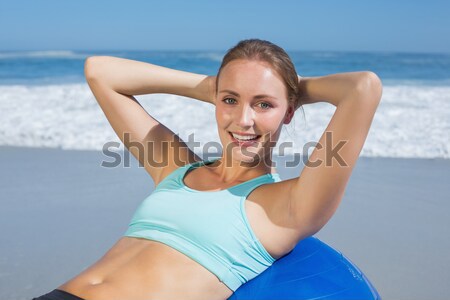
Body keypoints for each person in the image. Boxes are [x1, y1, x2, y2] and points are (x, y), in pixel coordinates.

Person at [32, 38, 382, 300]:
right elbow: (100, 71)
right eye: (230, 101)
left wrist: (289, 88)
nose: (243, 120)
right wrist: (214, 87)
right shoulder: (175, 169)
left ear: (288, 112)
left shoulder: (287, 207)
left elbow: (362, 88)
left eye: (264, 104)